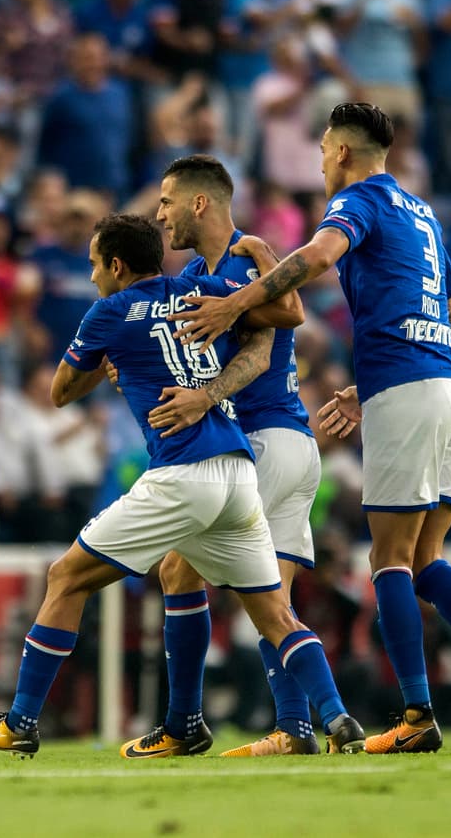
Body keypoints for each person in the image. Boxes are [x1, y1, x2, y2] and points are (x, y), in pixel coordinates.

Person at [172, 102, 451, 753]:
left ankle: (417, 715)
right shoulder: (424, 212)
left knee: (388, 559)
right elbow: (447, 312)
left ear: (343, 152)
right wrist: (368, 385)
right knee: (425, 558)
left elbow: (318, 256)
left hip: (412, 389)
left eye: (322, 149)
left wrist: (236, 302)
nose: (320, 162)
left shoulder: (359, 200)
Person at [0, 213, 366, 759]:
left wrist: (111, 353)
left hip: (183, 473)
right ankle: (337, 719)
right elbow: (287, 312)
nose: (92, 275)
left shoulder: (109, 311)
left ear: (116, 265)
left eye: (94, 265)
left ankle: (21, 721)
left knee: (66, 577)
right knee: (274, 614)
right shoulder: (205, 291)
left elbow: (60, 392)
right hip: (238, 471)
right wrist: (262, 256)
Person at [133, 154, 321, 757]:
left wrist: (207, 393)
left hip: (261, 438)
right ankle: (298, 728)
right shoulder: (198, 273)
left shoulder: (246, 260)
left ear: (200, 202)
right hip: (296, 442)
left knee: (178, 570)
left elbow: (289, 315)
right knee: (273, 600)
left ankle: (183, 724)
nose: (160, 214)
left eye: (167, 201)